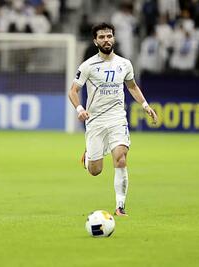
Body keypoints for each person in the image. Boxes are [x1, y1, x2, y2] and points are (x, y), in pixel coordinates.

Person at [68, 23, 158, 216]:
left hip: (117, 118)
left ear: (114, 38)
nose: (106, 40)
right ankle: (88, 158)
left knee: (121, 158)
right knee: (95, 170)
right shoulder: (87, 66)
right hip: (95, 121)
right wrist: (79, 109)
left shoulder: (124, 64)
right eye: (102, 37)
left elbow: (132, 86)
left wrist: (145, 106)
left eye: (109, 36)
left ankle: (120, 206)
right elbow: (73, 91)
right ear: (95, 41)